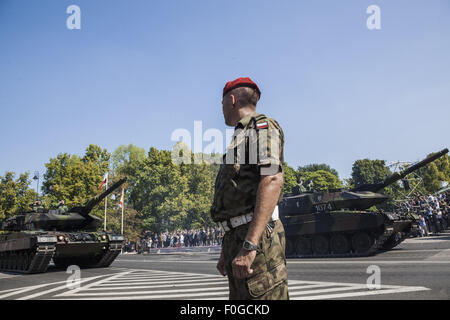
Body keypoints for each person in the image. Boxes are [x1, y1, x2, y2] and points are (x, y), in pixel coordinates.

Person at [210, 77, 289, 300]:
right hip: (239, 237)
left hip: (256, 238)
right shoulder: (240, 135)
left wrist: (249, 245)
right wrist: (229, 248)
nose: (222, 108)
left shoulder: (261, 126)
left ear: (232, 100)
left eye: (222, 102)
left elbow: (272, 179)